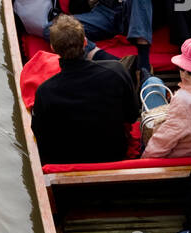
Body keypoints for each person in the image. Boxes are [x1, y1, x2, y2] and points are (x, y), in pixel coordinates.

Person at [31, 15, 138, 165]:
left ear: (53, 48)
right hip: (113, 153)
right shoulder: (117, 71)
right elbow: (132, 116)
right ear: (85, 43)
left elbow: (41, 134)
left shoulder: (45, 91)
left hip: (65, 159)